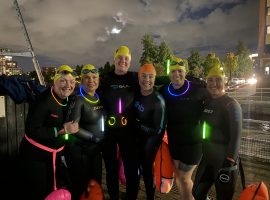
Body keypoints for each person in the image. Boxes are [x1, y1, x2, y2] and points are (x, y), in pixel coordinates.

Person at [17, 65, 79, 200]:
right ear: (54, 82)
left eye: (72, 81)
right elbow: (32, 130)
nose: (68, 85)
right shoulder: (43, 101)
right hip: (35, 158)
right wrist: (62, 130)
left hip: (56, 156)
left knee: (58, 189)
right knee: (39, 193)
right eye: (63, 80)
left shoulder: (68, 98)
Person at [159, 56, 209, 200]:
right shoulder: (164, 91)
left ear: (185, 71)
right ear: (169, 73)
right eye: (173, 71)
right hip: (174, 142)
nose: (176, 74)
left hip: (194, 142)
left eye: (180, 71)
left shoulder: (198, 89)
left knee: (184, 178)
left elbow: (217, 101)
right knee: (179, 177)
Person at [192, 66, 242, 200]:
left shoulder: (231, 105)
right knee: (197, 193)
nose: (214, 84)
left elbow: (236, 138)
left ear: (225, 81)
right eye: (210, 80)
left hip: (225, 162)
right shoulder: (207, 102)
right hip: (207, 157)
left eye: (218, 80)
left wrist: (229, 163)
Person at [99, 45, 139, 200]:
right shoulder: (105, 78)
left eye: (126, 58)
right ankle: (114, 196)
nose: (123, 61)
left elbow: (155, 80)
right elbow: (88, 90)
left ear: (130, 61)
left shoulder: (134, 78)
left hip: (128, 131)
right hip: (109, 132)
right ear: (114, 59)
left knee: (130, 168)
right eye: (120, 58)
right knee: (111, 169)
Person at [65, 64, 106, 200]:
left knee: (95, 187)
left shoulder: (98, 97)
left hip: (95, 152)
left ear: (99, 80)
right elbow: (73, 129)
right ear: (81, 81)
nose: (91, 80)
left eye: (94, 77)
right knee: (81, 189)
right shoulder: (78, 100)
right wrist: (94, 138)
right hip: (80, 153)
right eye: (87, 78)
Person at [134, 63, 166, 200]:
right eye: (144, 76)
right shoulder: (135, 92)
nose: (147, 80)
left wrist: (137, 124)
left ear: (154, 78)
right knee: (133, 172)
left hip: (150, 142)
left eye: (151, 77)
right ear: (138, 76)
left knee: (147, 173)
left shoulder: (158, 100)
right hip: (135, 140)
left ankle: (150, 197)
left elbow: (158, 129)